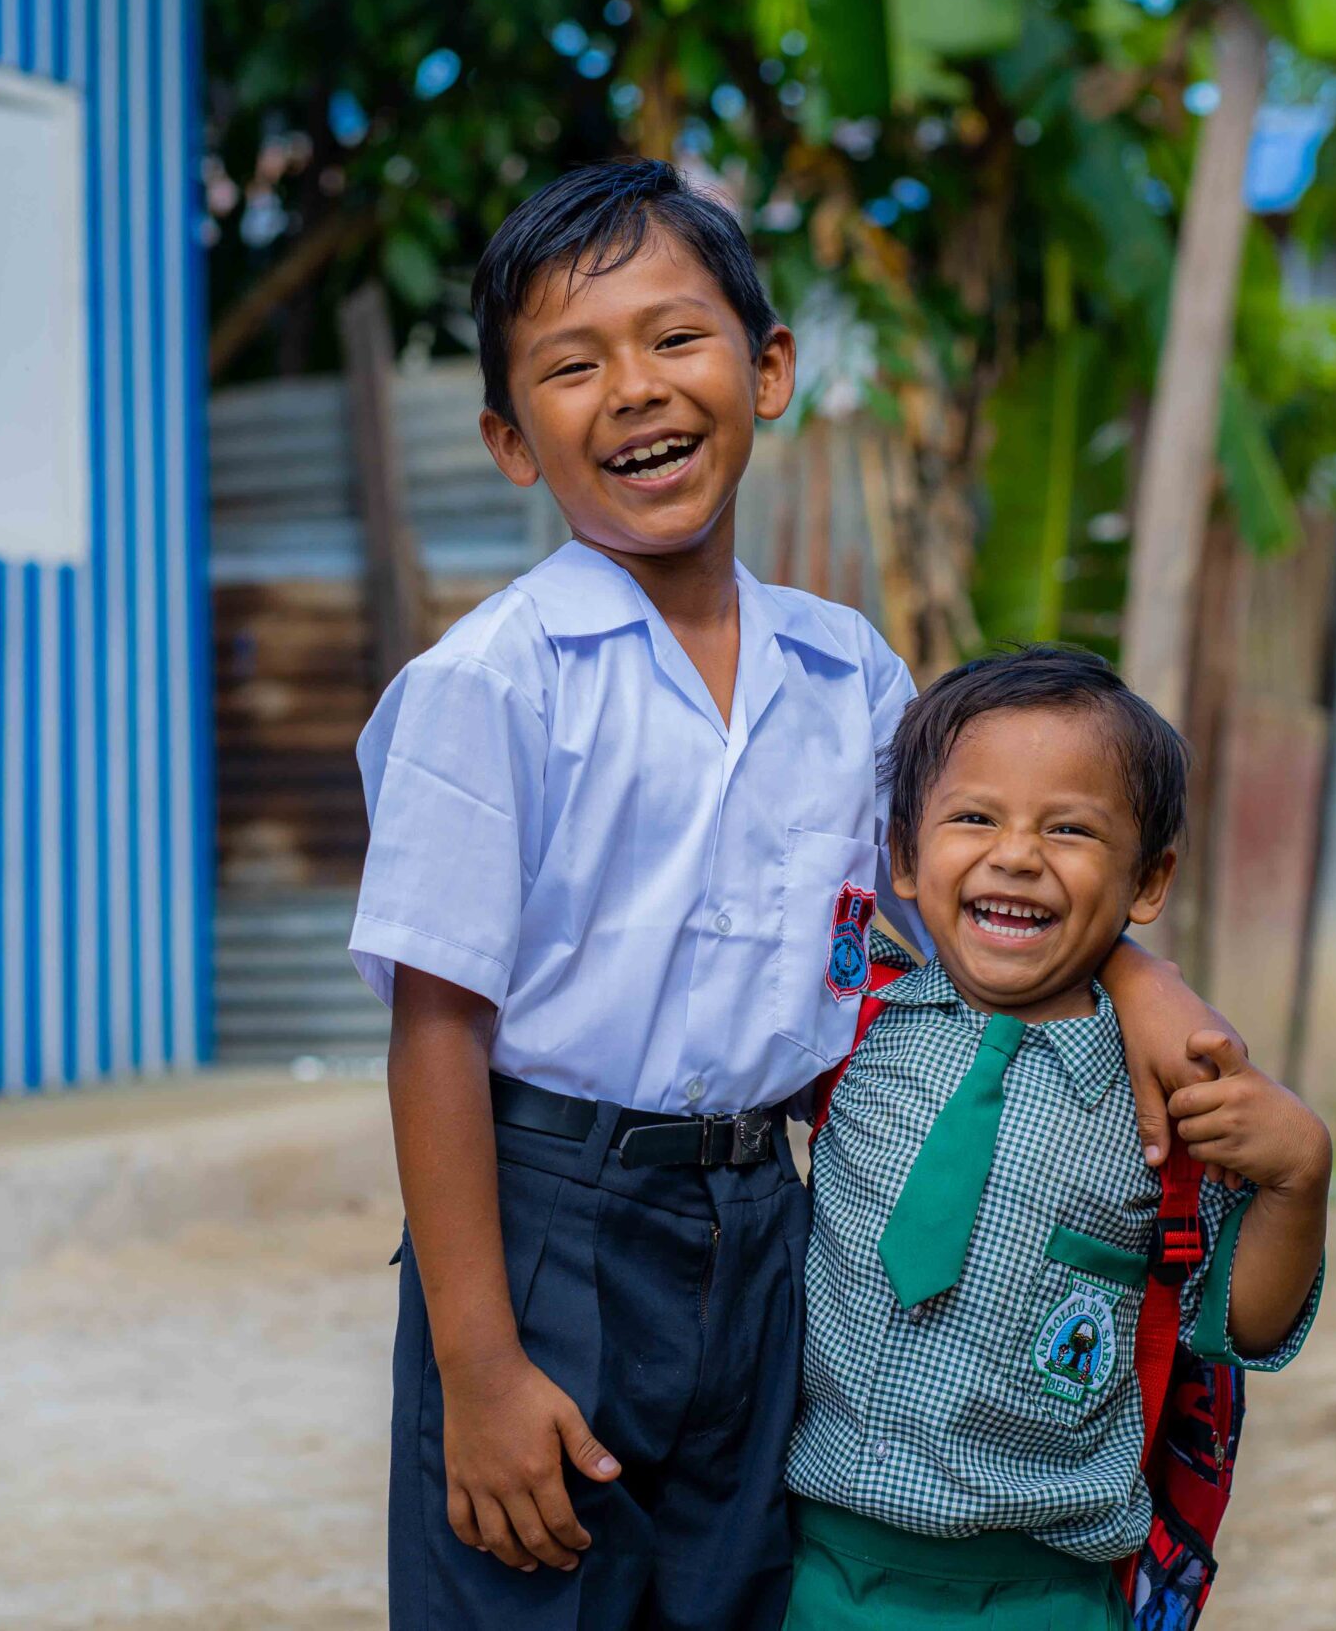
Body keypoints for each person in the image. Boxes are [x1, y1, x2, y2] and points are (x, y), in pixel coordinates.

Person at [351, 158, 1247, 1631]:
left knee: (733, 1595)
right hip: (546, 1220)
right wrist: (480, 1363)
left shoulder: (848, 675)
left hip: (769, 1226)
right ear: (515, 438)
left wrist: (1137, 973)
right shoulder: (491, 684)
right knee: (526, 1585)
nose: (634, 389)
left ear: (767, 369)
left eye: (676, 338)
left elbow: (956, 897)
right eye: (574, 366)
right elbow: (436, 1030)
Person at [784, 645, 1333, 1630]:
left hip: (1046, 1592)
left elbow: (1241, 1326)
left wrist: (1299, 1180)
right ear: (904, 856)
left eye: (1070, 829)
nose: (1016, 854)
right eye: (973, 817)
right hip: (811, 1567)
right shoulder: (846, 1022)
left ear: (1148, 880)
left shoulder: (1169, 1103)